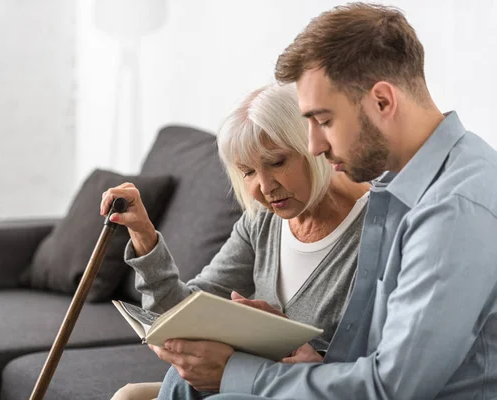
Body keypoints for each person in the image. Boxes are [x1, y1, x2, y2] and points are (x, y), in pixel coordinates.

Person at [157, 3, 497, 399]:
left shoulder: (452, 210)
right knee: (185, 383)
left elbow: (390, 388)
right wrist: (290, 347)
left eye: (324, 121)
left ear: (383, 102)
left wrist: (239, 373)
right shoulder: (399, 189)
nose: (315, 145)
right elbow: (376, 355)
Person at [103, 83, 370, 400]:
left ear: (311, 145)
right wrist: (144, 236)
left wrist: (306, 355)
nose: (264, 187)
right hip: (254, 381)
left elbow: (385, 366)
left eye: (277, 162)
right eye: (248, 172)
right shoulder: (261, 221)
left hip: (310, 390)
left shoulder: (376, 230)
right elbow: (183, 313)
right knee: (133, 394)